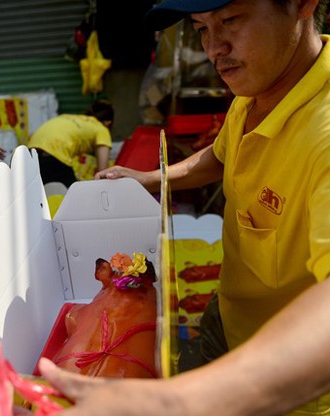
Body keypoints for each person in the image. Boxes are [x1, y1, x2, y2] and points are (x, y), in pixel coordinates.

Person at [35, 0, 330, 415]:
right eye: (201, 28)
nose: (214, 48)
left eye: (230, 21)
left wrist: (177, 402)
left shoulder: (323, 133)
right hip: (227, 315)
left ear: (301, 5)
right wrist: (152, 179)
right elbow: (223, 153)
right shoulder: (258, 89)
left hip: (284, 386)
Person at [27, 99, 113, 188]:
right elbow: (103, 170)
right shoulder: (102, 128)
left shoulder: (71, 117)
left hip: (30, 152)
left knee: (35, 193)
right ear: (108, 123)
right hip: (54, 154)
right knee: (74, 194)